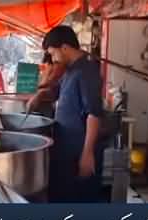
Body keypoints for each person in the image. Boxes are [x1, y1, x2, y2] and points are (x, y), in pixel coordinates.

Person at [27, 25, 105, 202]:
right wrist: (40, 95)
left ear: (65, 48)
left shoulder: (87, 71)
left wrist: (87, 153)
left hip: (78, 151)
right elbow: (57, 92)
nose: (53, 59)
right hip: (65, 150)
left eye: (54, 53)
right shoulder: (71, 69)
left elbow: (94, 113)